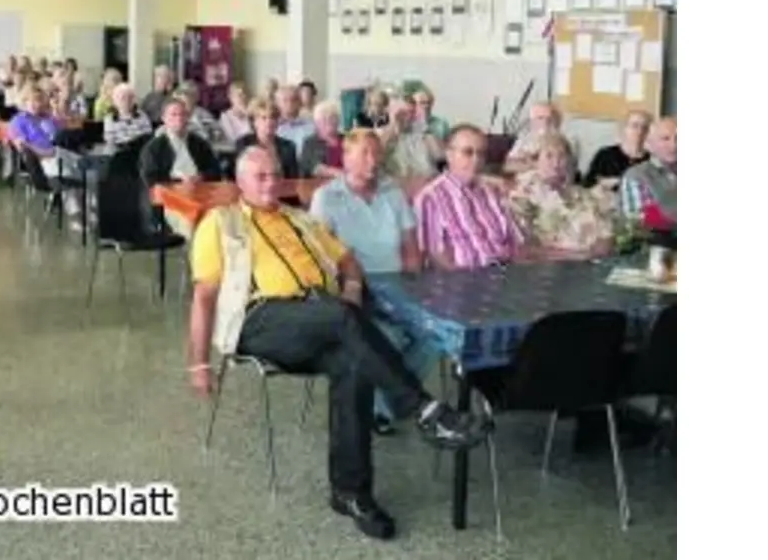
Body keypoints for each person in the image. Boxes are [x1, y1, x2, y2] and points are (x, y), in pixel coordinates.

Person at [186, 147, 489, 540]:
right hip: (258, 319)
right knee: (344, 317)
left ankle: (351, 492)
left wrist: (350, 286)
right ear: (239, 182)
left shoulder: (301, 219)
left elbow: (347, 260)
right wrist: (198, 363)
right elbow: (204, 296)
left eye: (274, 174)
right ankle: (424, 409)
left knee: (353, 361)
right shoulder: (220, 223)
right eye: (259, 176)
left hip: (320, 318)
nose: (270, 182)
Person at [308, 130, 437, 434]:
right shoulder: (327, 197)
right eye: (365, 153)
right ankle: (384, 408)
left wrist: (414, 285)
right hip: (354, 290)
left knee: (435, 336)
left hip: (397, 285)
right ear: (346, 157)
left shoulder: (393, 193)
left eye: (377, 153)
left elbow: (410, 246)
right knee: (387, 339)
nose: (373, 160)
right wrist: (350, 289)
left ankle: (387, 403)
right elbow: (323, 256)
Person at [414, 125, 524, 269]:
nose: (476, 160)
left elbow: (513, 241)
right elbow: (436, 256)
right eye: (468, 152)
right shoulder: (431, 198)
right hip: (464, 280)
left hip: (506, 275)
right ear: (449, 155)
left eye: (481, 154)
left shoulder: (493, 192)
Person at [508, 132, 618, 259]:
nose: (556, 163)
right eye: (549, 156)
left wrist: (600, 249)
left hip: (591, 265)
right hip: (548, 268)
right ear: (535, 161)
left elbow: (606, 235)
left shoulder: (582, 195)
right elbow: (523, 248)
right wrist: (578, 256)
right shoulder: (523, 196)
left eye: (562, 156)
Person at [140, 98, 221, 187]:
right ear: (164, 118)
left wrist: (200, 177)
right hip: (169, 192)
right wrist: (178, 180)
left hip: (200, 188)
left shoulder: (200, 143)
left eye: (182, 114)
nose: (179, 118)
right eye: (173, 115)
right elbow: (151, 178)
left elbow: (215, 170)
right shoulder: (153, 148)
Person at [621, 116, 676, 229]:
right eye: (665, 139)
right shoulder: (636, 175)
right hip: (658, 243)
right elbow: (640, 221)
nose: (674, 145)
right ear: (649, 145)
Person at [233, 98, 302, 180]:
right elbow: (240, 176)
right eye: (264, 118)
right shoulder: (244, 143)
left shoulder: (288, 146)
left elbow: (293, 178)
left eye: (273, 118)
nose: (269, 122)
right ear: (254, 122)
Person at [586, 110, 652, 187]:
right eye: (635, 126)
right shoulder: (605, 155)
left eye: (645, 128)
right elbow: (588, 184)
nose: (640, 131)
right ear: (624, 128)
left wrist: (618, 181)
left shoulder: (652, 161)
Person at [505, 102, 574, 175]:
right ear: (532, 121)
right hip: (523, 181)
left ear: (556, 122)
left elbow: (559, 167)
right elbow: (508, 166)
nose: (545, 122)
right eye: (540, 118)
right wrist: (533, 164)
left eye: (549, 118)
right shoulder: (524, 141)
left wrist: (529, 162)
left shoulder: (561, 142)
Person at [381, 97, 441, 179]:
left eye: (411, 112)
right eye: (402, 113)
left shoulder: (424, 134)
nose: (408, 117)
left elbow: (441, 159)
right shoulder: (382, 134)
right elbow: (379, 152)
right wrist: (394, 127)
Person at [299, 99, 346, 179]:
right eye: (324, 118)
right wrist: (338, 173)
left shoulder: (347, 139)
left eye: (333, 117)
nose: (329, 121)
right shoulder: (310, 142)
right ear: (316, 123)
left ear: (338, 120)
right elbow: (315, 168)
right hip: (320, 185)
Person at [274, 85, 319, 150]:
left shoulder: (312, 126)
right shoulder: (272, 126)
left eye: (293, 99)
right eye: (285, 100)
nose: (290, 104)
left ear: (300, 102)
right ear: (277, 103)